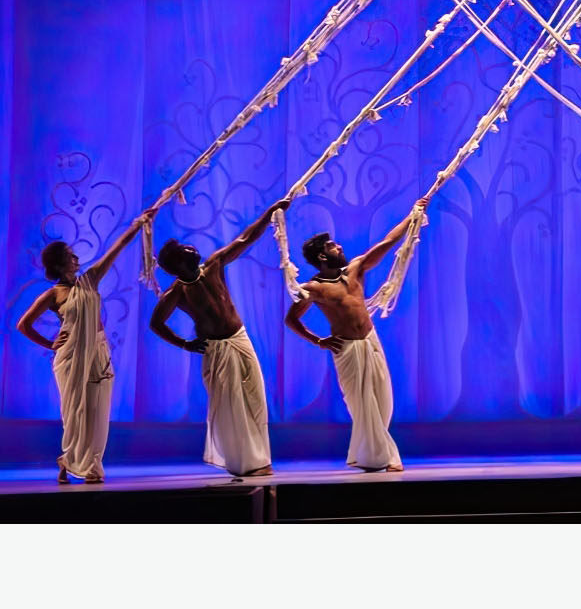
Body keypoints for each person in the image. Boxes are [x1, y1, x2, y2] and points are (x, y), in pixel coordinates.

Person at [148, 199, 289, 477]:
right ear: (177, 263)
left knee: (255, 398)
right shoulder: (177, 293)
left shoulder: (213, 265)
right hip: (218, 350)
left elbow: (245, 238)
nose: (191, 249)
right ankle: (247, 464)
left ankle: (261, 457)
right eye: (183, 250)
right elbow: (156, 323)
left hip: (239, 338)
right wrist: (184, 344)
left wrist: (270, 212)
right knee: (231, 406)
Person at [14, 206, 155, 483]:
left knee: (97, 408)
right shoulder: (54, 294)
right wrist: (51, 343)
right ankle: (68, 461)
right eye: (69, 256)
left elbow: (116, 249)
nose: (76, 258)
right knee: (75, 411)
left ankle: (90, 465)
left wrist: (140, 223)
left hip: (98, 351)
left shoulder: (89, 280)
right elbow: (23, 324)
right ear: (58, 264)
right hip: (70, 358)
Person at [283, 208, 422, 472]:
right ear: (323, 256)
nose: (340, 246)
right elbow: (291, 320)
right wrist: (317, 341)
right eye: (333, 246)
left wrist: (412, 216)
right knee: (362, 404)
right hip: (347, 349)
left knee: (382, 400)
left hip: (370, 341)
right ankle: (382, 457)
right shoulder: (314, 288)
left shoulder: (355, 269)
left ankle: (366, 453)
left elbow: (386, 244)